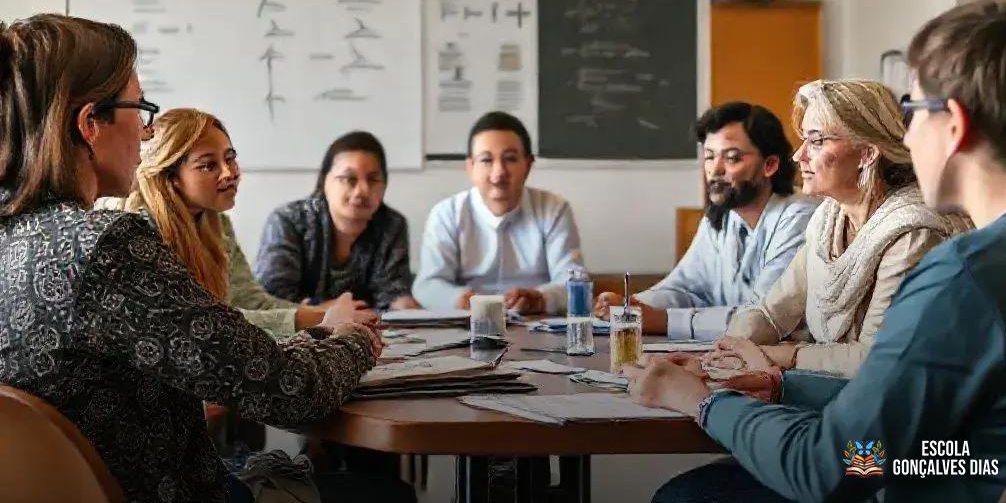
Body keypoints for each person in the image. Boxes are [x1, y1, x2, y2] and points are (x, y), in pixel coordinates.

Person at [626, 0, 1006, 502]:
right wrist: (781, 387)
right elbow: (930, 441)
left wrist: (703, 403)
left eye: (912, 108)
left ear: (954, 124)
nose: (905, 132)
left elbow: (832, 467)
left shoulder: (962, 274)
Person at [0, 14, 411, 503]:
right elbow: (287, 389)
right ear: (91, 124)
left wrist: (321, 334)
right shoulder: (106, 247)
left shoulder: (13, 236)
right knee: (389, 495)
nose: (147, 132)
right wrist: (354, 339)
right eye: (139, 108)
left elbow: (246, 361)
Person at [705, 80, 971, 378]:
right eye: (803, 139)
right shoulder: (827, 220)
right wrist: (729, 347)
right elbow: (770, 312)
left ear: (867, 154)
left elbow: (875, 358)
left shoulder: (913, 233)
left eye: (817, 141)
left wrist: (776, 354)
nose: (798, 156)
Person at [103, 107, 376, 336]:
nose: (229, 173)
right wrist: (320, 319)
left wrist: (331, 314)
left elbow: (252, 301)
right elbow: (202, 321)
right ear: (171, 176)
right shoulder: (141, 230)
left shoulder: (217, 223)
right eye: (208, 165)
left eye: (230, 159)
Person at [595, 102, 818, 338]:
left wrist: (662, 320)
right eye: (710, 157)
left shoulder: (800, 216)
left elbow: (762, 318)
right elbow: (684, 287)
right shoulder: (720, 216)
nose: (715, 169)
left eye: (732, 158)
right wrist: (631, 305)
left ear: (770, 165)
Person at [413, 111, 583, 314]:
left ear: (527, 166)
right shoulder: (446, 214)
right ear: (470, 167)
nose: (499, 172)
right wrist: (460, 299)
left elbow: (573, 281)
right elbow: (427, 285)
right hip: (467, 326)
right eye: (486, 160)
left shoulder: (554, 209)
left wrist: (540, 298)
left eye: (510, 159)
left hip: (535, 324)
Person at [256, 131, 417, 310]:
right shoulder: (288, 221)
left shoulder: (392, 225)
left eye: (372, 179)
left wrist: (405, 308)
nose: (362, 190)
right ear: (325, 181)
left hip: (369, 333)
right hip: (298, 333)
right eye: (350, 179)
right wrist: (327, 311)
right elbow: (273, 299)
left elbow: (392, 293)